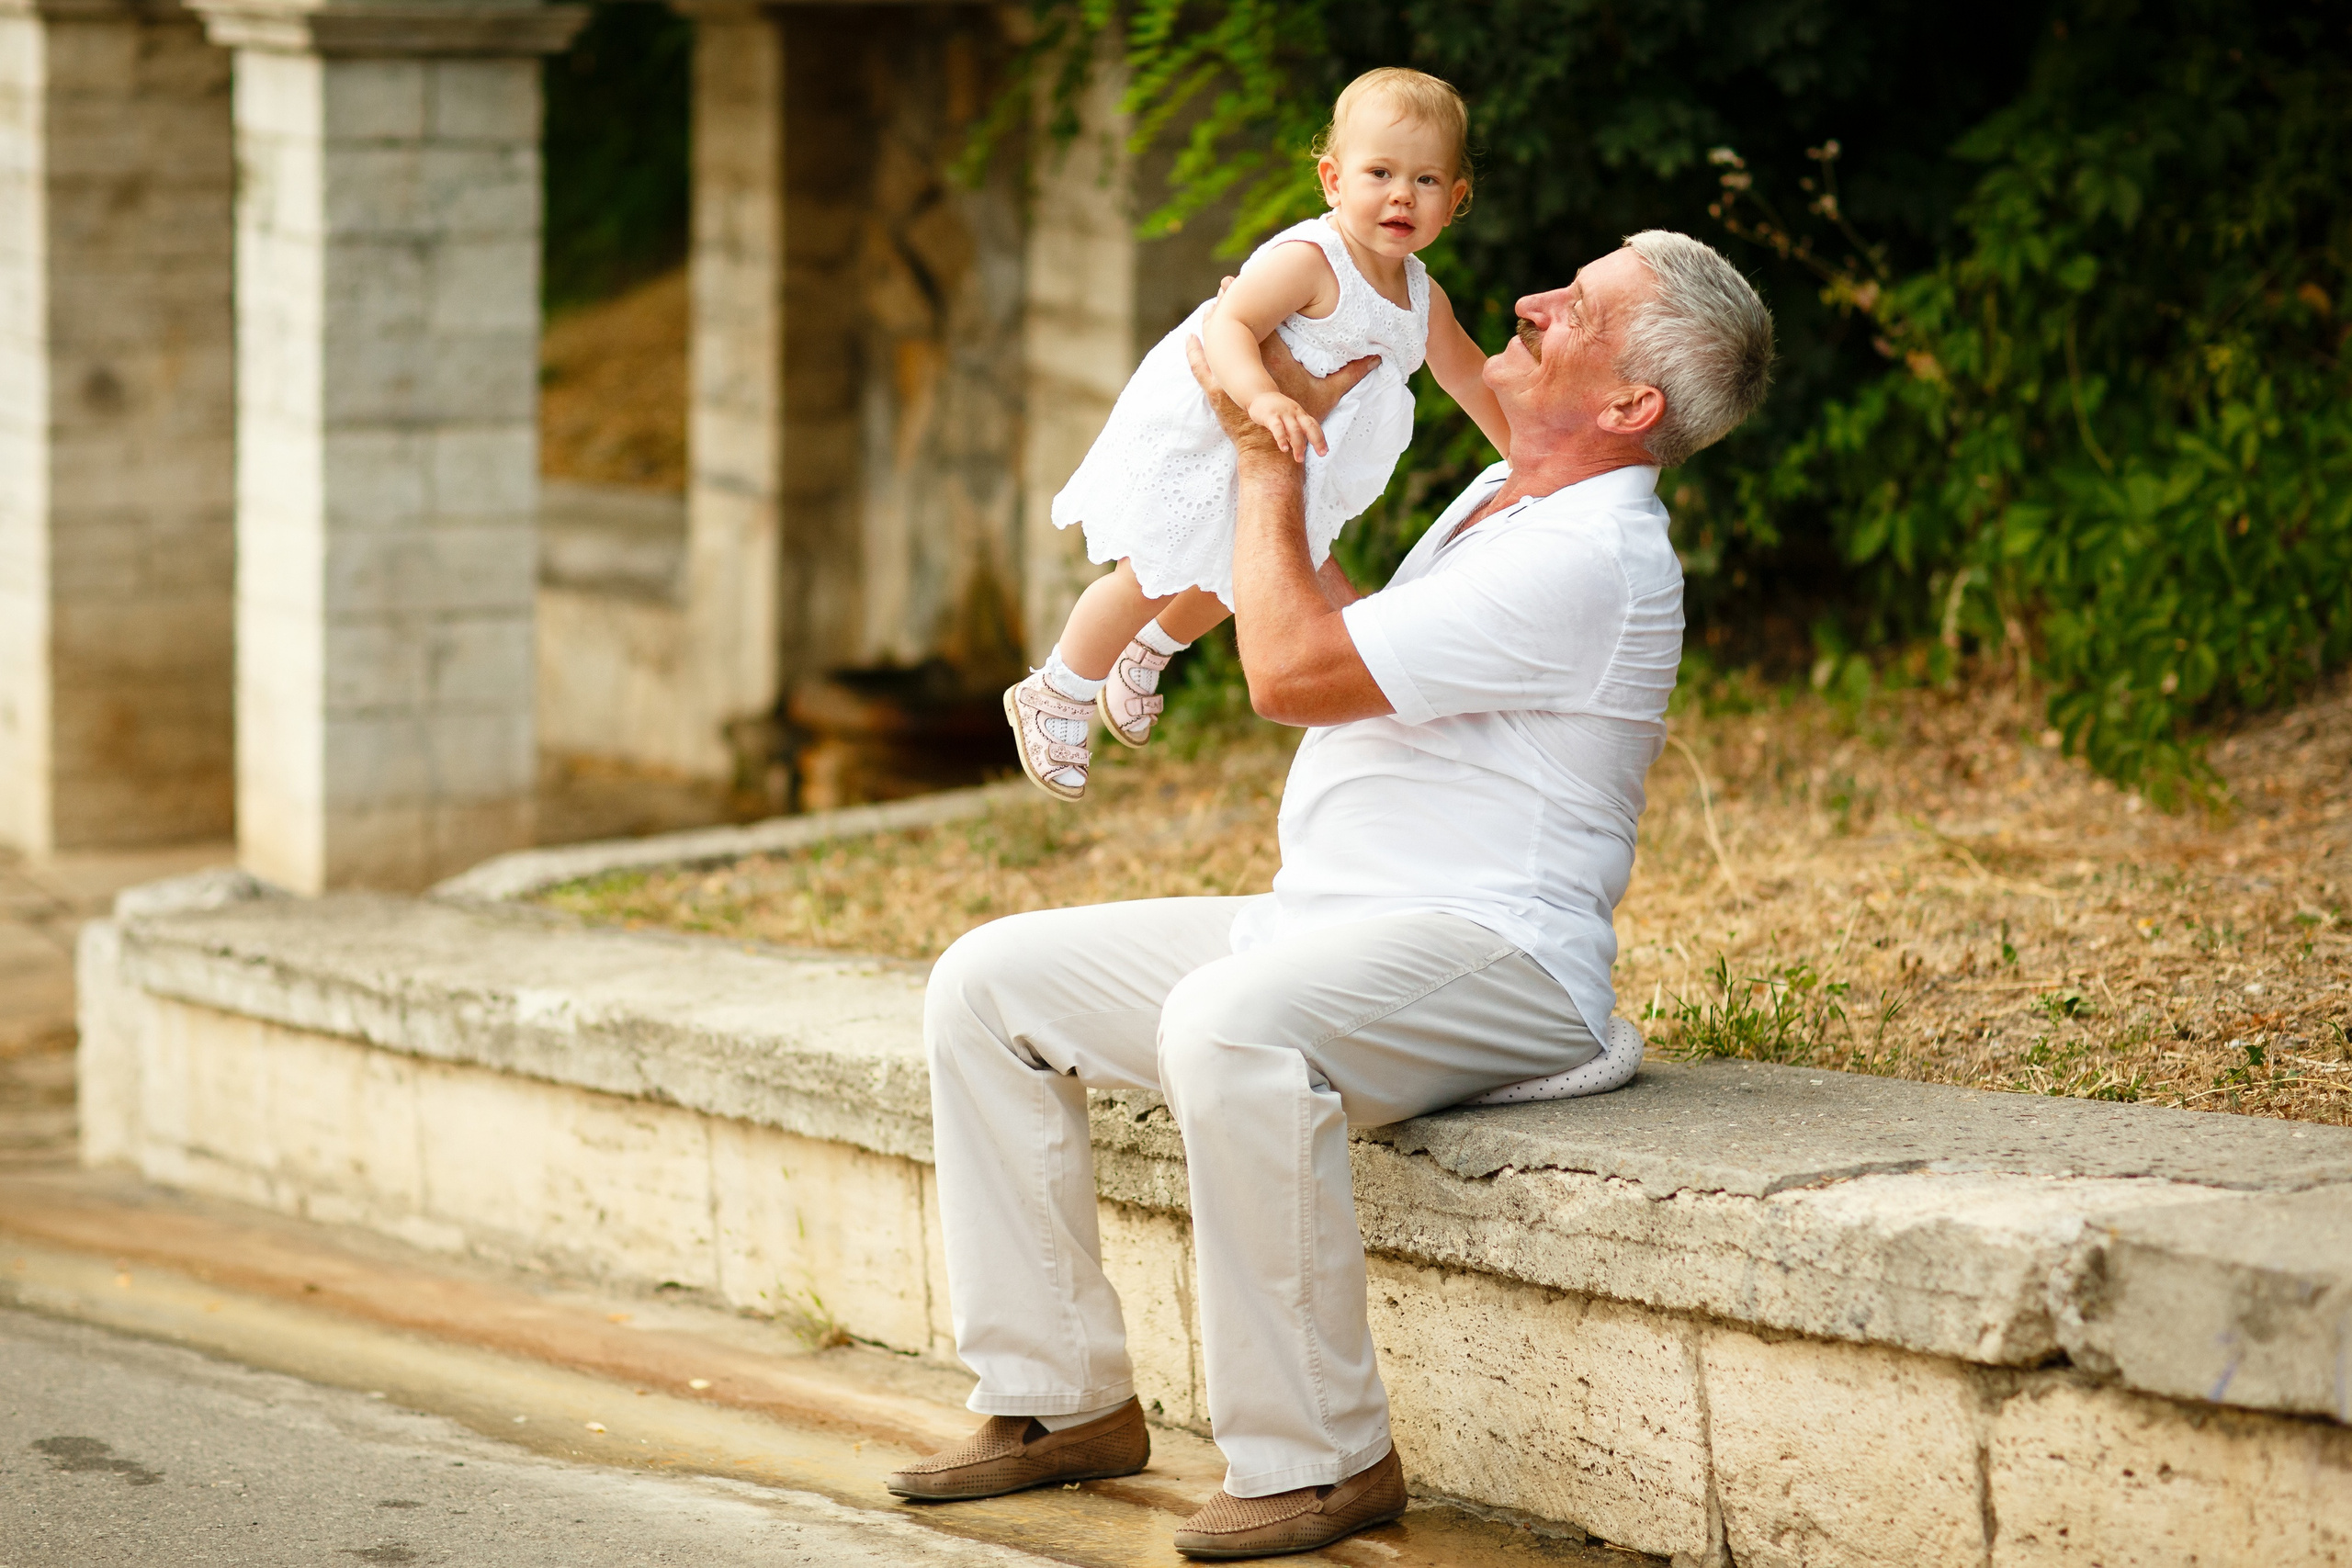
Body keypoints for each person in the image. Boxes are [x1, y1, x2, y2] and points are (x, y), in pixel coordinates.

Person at [896, 231, 1772, 1560]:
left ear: (1630, 405)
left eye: (1576, 306)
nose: (1532, 300)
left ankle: (1322, 1457)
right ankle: (1057, 1397)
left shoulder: (1593, 552)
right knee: (989, 981)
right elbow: (1357, 638)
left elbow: (1291, 671)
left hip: (1499, 954)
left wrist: (1264, 453)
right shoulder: (1501, 495)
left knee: (1232, 1026)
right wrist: (1270, 462)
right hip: (1334, 925)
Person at [1005, 67, 1509, 800]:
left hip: (1299, 461)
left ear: (1455, 200)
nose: (1402, 194)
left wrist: (1526, 459)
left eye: (1427, 180)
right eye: (1380, 172)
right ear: (1334, 180)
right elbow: (1230, 323)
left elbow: (1468, 375)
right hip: (1222, 436)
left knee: (1253, 575)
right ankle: (1056, 688)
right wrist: (1261, 397)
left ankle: (1153, 648)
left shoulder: (1424, 299)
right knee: (1150, 573)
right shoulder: (1311, 261)